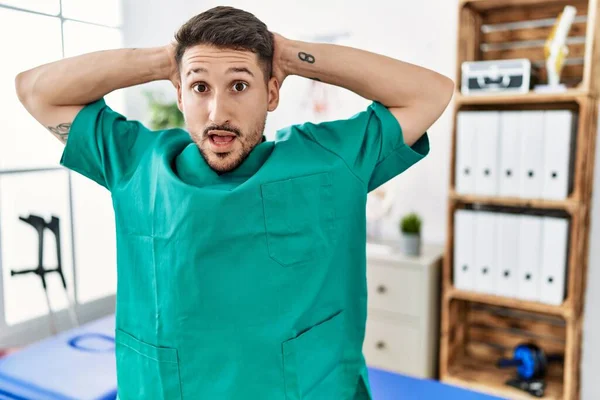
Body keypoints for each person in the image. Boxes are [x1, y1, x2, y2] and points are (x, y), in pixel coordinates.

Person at [15, 6, 453, 400]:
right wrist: (165, 61)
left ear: (272, 93)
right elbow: (35, 90)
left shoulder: (331, 160)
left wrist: (288, 52)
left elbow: (430, 93)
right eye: (200, 87)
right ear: (180, 96)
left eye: (240, 85)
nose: (217, 111)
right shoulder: (135, 162)